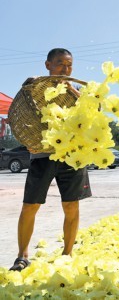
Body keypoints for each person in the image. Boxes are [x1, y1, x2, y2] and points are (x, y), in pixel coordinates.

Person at [9, 48, 91, 271]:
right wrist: (38, 81)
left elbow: (94, 109)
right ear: (48, 65)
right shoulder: (37, 87)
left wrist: (73, 90)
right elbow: (26, 91)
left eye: (69, 64)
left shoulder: (76, 93)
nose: (65, 69)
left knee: (71, 206)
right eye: (60, 63)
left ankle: (67, 254)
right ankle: (22, 256)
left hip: (73, 156)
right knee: (30, 206)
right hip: (43, 155)